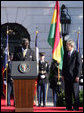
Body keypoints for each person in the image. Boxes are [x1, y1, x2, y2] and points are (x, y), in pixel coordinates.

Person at [62, 39, 82, 111]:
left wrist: (78, 76)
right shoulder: (65, 54)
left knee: (75, 93)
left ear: (71, 46)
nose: (66, 47)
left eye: (67, 45)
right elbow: (64, 65)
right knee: (67, 93)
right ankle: (68, 107)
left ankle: (76, 108)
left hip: (74, 77)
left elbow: (79, 66)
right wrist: (63, 74)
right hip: (67, 76)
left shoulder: (77, 53)